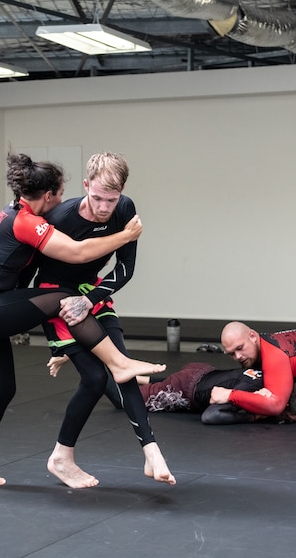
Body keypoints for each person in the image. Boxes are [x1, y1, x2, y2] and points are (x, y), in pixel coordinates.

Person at [0, 152, 167, 488]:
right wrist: (126, 236)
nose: (64, 201)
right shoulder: (26, 221)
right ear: (48, 196)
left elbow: (24, 280)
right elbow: (76, 254)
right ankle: (120, 363)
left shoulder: (18, 213)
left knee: (2, 389)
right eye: (61, 194)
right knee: (64, 300)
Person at [34, 151, 174, 488]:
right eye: (96, 197)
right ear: (85, 186)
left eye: (110, 199)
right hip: (55, 294)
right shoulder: (62, 216)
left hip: (90, 291)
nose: (103, 207)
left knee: (122, 365)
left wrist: (90, 299)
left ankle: (152, 452)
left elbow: (125, 267)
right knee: (95, 379)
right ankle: (60, 457)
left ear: (121, 192)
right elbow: (31, 267)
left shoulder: (125, 209)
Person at [137, 361, 296, 424]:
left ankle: (138, 377)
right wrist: (251, 418)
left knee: (165, 384)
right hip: (185, 389)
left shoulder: (276, 379)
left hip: (203, 371)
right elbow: (211, 416)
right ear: (284, 405)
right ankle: (109, 374)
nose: (282, 419)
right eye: (287, 417)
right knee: (127, 401)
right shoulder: (251, 392)